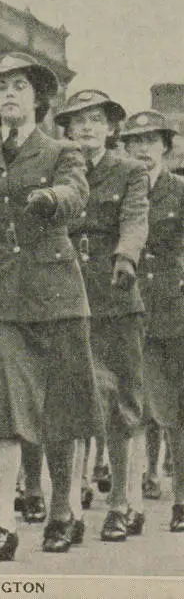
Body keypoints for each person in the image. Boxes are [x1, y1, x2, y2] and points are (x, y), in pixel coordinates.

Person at [0, 52, 103, 560]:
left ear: (39, 98)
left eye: (19, 85)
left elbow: (75, 194)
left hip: (55, 293)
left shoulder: (63, 152)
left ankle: (63, 510)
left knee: (62, 409)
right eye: (1, 88)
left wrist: (53, 201)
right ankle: (2, 521)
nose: (9, 94)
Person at [56, 89, 149, 542]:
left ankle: (120, 504)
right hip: (66, 293)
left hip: (117, 294)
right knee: (72, 396)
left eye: (96, 119)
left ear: (112, 129)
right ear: (68, 130)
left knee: (121, 402)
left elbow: (135, 220)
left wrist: (126, 258)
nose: (87, 127)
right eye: (78, 120)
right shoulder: (60, 168)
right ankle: (70, 505)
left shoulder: (130, 171)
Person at [121, 110, 184, 533]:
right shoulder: (121, 187)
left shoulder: (179, 190)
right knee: (126, 408)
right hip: (124, 303)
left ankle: (181, 496)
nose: (142, 149)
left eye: (150, 141)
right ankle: (126, 501)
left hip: (171, 308)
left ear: (166, 146)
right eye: (134, 142)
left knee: (173, 411)